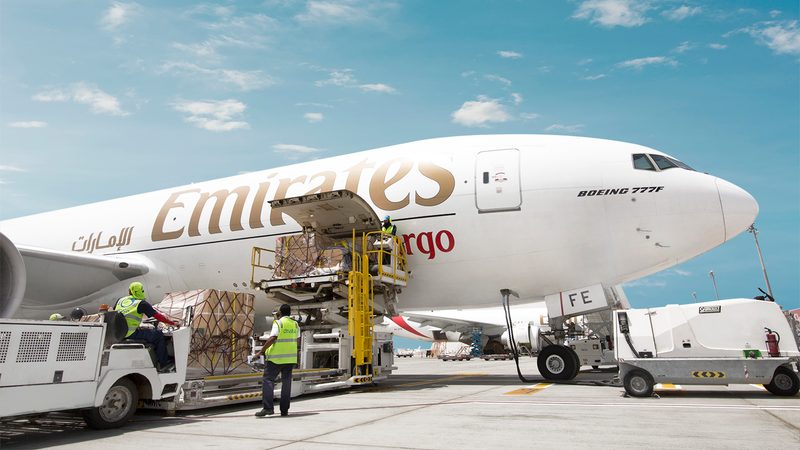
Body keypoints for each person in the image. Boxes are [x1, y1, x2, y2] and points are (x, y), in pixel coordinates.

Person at [114, 281, 179, 372]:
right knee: (158, 335)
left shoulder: (120, 300)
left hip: (117, 333)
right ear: (142, 291)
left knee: (148, 331)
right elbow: (158, 316)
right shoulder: (141, 303)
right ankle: (164, 363)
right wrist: (171, 323)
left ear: (130, 291)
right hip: (130, 333)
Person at [254, 304, 299, 417]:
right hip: (290, 359)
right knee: (286, 384)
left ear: (280, 312)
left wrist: (261, 352)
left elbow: (273, 338)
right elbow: (297, 340)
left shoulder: (278, 323)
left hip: (276, 359)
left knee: (268, 380)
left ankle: (268, 408)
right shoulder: (295, 324)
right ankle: (284, 410)